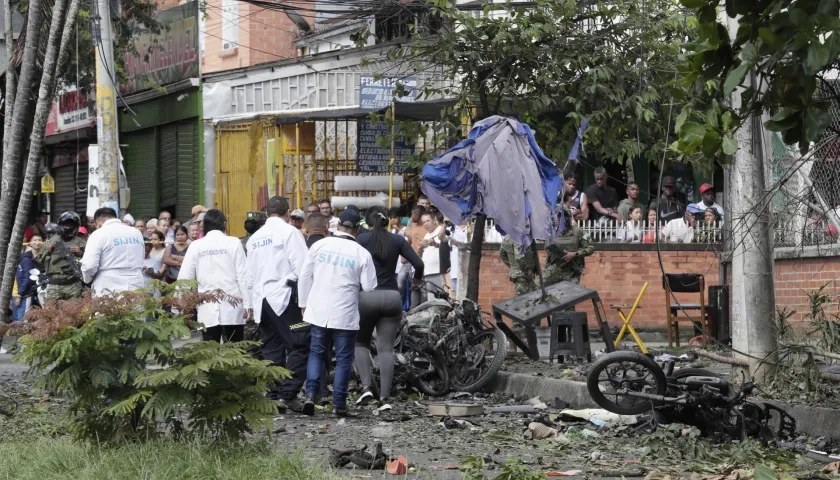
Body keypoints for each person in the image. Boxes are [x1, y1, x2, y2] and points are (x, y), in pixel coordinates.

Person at [298, 208, 377, 417]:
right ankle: (339, 404)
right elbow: (369, 287)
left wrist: (303, 303)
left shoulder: (319, 245)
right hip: (345, 313)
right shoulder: (361, 253)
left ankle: (310, 396)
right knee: (343, 359)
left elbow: (305, 276)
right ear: (357, 229)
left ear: (337, 225)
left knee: (316, 352)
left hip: (318, 311)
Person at [354, 206, 424, 407]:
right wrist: (417, 281)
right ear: (387, 221)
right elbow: (418, 264)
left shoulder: (361, 240)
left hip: (366, 297)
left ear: (367, 223)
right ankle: (385, 398)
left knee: (360, 343)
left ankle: (366, 387)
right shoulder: (397, 240)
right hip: (392, 297)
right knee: (386, 349)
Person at [247, 196, 310, 413]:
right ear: (288, 212)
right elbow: (303, 269)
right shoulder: (290, 232)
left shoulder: (254, 238)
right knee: (301, 342)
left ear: (266, 214)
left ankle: (273, 396)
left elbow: (249, 274)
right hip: (285, 298)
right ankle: (288, 394)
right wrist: (305, 302)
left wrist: (250, 304)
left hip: (262, 300)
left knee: (271, 349)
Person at [178, 209, 252, 343]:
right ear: (224, 223)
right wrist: (248, 304)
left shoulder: (196, 246)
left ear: (204, 225)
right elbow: (243, 276)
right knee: (236, 352)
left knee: (210, 353)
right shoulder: (234, 242)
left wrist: (177, 305)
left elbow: (184, 278)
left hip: (207, 308)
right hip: (233, 307)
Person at [80, 208, 146, 297]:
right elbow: (141, 257)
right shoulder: (136, 233)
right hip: (136, 284)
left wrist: (87, 279)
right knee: (136, 310)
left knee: (111, 311)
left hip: (109, 288)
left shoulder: (98, 234)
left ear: (98, 223)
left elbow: (89, 266)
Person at [38, 211, 86, 301]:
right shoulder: (50, 242)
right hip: (54, 284)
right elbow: (39, 262)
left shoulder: (81, 243)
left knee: (75, 312)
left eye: (71, 225)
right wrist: (47, 251)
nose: (68, 227)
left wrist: (80, 253)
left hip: (73, 284)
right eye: (66, 225)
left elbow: (90, 262)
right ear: (61, 225)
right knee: (51, 313)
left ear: (75, 226)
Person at [544, 208, 595, 285]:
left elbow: (590, 248)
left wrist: (575, 254)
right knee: (542, 290)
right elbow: (549, 255)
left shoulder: (577, 232)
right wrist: (546, 269)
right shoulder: (552, 234)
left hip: (572, 272)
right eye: (555, 217)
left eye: (560, 217)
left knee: (571, 295)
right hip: (554, 270)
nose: (557, 220)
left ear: (567, 218)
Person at [13, 234, 42, 320]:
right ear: (30, 243)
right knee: (18, 321)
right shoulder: (25, 259)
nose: (37, 242)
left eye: (39, 240)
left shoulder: (27, 259)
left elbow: (26, 279)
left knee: (20, 321)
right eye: (35, 240)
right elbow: (24, 278)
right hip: (18, 294)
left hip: (23, 294)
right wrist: (17, 296)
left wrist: (19, 295)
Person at [418, 212, 446, 301]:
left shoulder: (441, 230)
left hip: (439, 272)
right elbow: (420, 254)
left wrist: (433, 243)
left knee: (442, 300)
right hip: (428, 272)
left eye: (428, 221)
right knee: (431, 301)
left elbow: (446, 247)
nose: (426, 224)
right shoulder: (426, 235)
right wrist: (421, 248)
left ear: (434, 220)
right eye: (424, 222)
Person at [403, 205, 427, 307]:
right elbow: (408, 238)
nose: (412, 216)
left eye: (414, 214)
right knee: (414, 287)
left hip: (424, 261)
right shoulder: (412, 225)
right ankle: (413, 311)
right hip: (413, 261)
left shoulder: (426, 228)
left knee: (423, 289)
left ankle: (423, 310)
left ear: (419, 215)